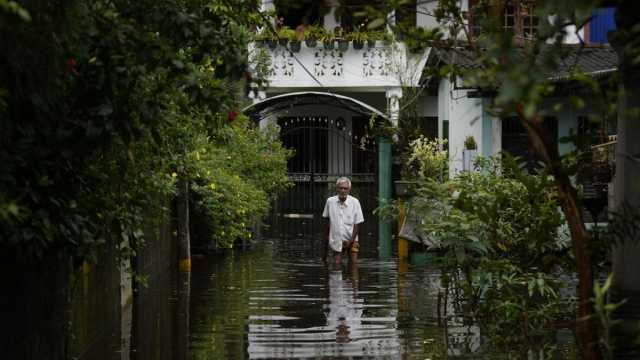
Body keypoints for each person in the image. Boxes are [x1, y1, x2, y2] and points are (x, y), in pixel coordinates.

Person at [322, 177, 364, 263]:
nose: (343, 190)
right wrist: (326, 237)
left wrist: (351, 241)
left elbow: (357, 223)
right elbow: (327, 220)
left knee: (353, 264)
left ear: (349, 190)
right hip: (336, 239)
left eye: (345, 188)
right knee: (337, 264)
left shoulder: (355, 202)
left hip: (352, 238)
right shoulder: (330, 201)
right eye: (341, 188)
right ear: (337, 188)